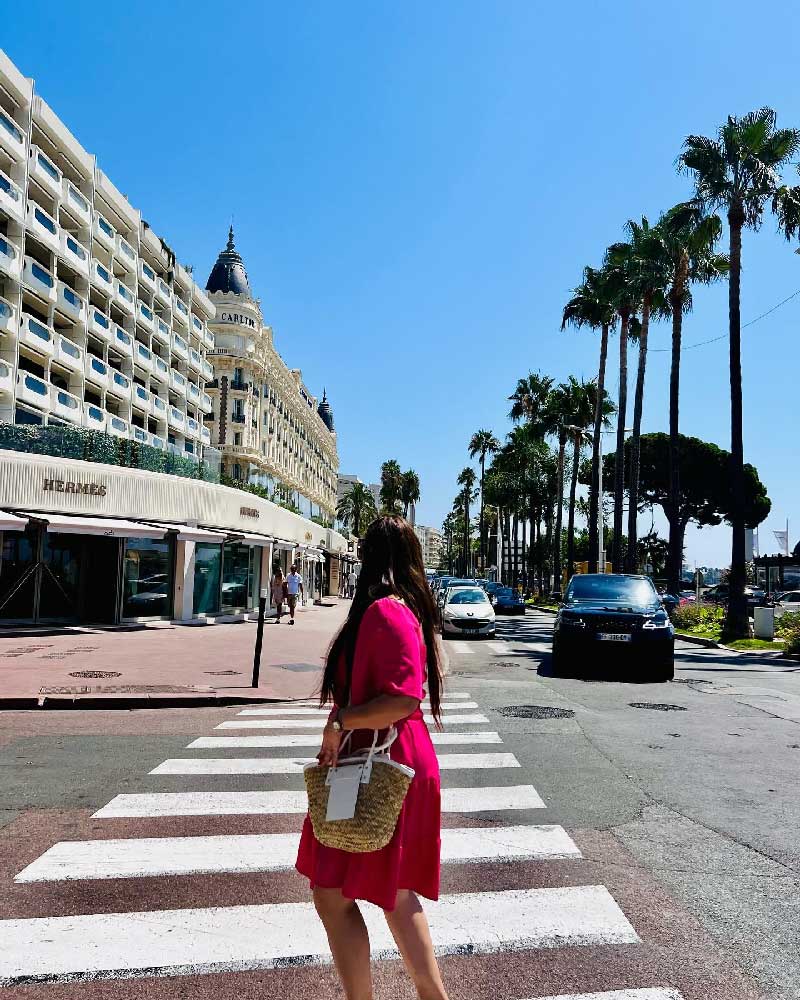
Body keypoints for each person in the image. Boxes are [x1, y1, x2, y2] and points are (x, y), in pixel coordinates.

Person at [296, 515, 449, 1000]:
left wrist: (339, 724)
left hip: (381, 764)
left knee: (343, 893)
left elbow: (403, 699)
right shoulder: (398, 609)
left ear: (368, 557)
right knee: (385, 894)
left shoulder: (387, 611)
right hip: (381, 759)